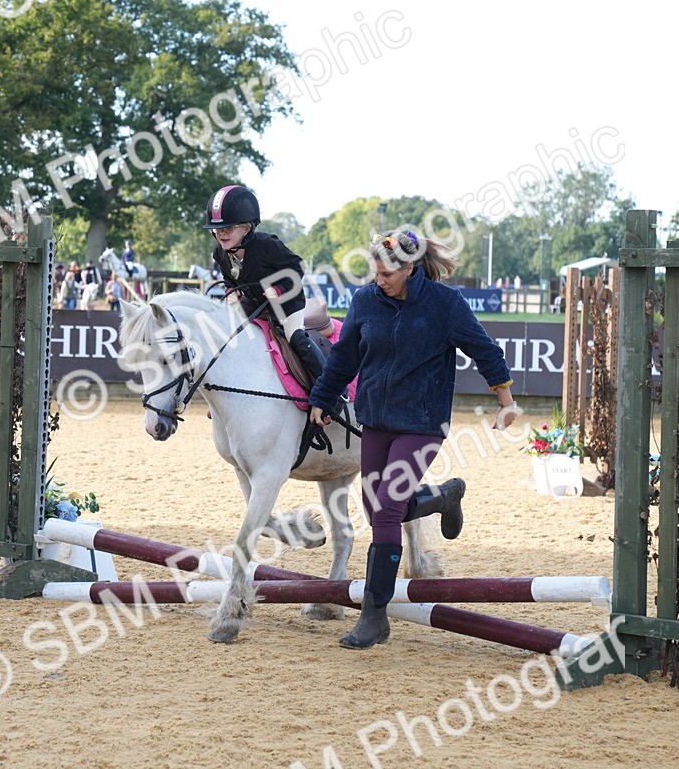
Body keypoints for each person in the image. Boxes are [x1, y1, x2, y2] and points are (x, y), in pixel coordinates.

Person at [308, 229, 521, 650]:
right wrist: (322, 398)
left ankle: (374, 616)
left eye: (386, 274)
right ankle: (443, 497)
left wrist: (506, 401)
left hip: (422, 422)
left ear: (409, 268)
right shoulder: (366, 301)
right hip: (376, 418)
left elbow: (485, 350)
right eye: (375, 273)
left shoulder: (445, 304)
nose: (379, 281)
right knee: (376, 508)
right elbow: (344, 356)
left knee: (387, 508)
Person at [204, 185, 326, 377]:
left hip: (286, 305)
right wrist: (231, 291)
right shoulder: (219, 253)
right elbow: (228, 277)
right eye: (216, 230)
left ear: (247, 227)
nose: (221, 234)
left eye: (228, 228)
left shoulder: (267, 245)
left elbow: (298, 267)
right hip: (253, 305)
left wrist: (279, 289)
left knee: (295, 337)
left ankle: (329, 386)